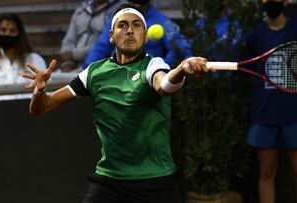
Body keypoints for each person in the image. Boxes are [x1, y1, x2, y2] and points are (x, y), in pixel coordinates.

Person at [22, 3, 215, 203]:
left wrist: (182, 69)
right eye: (122, 25)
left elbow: (164, 85)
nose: (130, 30)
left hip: (156, 182)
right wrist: (40, 89)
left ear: (146, 35)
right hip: (110, 181)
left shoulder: (153, 65)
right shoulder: (94, 72)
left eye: (137, 25)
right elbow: (42, 107)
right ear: (111, 36)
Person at [245, 0, 297, 203]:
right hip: (264, 114)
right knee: (266, 171)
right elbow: (251, 74)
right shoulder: (255, 35)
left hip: (296, 114)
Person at [83, 0, 192, 68]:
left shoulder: (162, 21)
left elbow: (177, 49)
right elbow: (101, 47)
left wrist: (160, 69)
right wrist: (87, 69)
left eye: (136, 25)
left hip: (147, 79)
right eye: (123, 25)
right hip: (117, 75)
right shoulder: (118, 18)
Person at [0, 13, 46, 102]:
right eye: (3, 30)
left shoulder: (35, 60)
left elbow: (46, 93)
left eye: (12, 31)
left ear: (19, 34)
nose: (7, 34)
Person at [59, 0, 123, 72]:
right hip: (74, 63)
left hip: (98, 63)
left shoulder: (118, 9)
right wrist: (68, 62)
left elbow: (104, 45)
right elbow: (69, 38)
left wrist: (74, 55)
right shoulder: (82, 8)